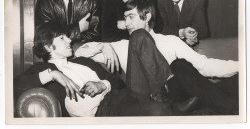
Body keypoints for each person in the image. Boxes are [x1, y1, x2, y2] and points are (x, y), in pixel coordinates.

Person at [75, 0, 239, 114]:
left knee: (179, 65)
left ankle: (229, 107)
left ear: (147, 16)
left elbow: (205, 66)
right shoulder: (123, 45)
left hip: (174, 96)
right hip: (141, 97)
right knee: (139, 37)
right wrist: (103, 46)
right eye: (125, 19)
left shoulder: (170, 41)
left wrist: (242, 65)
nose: (127, 24)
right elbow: (79, 52)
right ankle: (226, 106)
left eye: (131, 17)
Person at [14, 22, 198, 117]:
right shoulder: (42, 68)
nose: (70, 40)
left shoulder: (83, 61)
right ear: (47, 47)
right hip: (103, 110)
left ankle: (164, 99)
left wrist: (103, 84)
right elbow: (12, 88)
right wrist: (52, 74)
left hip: (124, 94)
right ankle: (171, 108)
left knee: (139, 35)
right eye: (62, 38)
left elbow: (117, 80)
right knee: (155, 113)